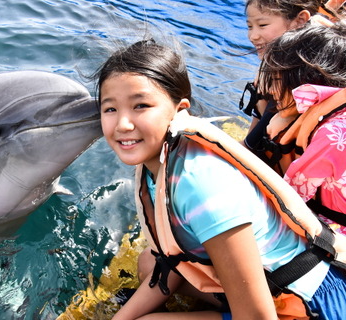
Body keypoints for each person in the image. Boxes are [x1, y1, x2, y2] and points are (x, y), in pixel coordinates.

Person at [93, 39, 346, 319]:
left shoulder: (200, 183)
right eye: (110, 109)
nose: (123, 124)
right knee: (147, 266)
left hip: (316, 306)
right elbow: (172, 262)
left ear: (179, 110)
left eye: (140, 105)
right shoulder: (163, 160)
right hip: (274, 289)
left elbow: (257, 317)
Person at [256, 22, 346, 235]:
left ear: (306, 81)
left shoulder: (332, 135)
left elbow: (289, 202)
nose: (269, 89)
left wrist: (276, 134)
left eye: (277, 78)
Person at [240, 0, 323, 175]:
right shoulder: (272, 65)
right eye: (249, 26)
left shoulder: (304, 76)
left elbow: (248, 149)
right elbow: (251, 139)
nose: (252, 36)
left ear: (300, 20)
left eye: (262, 25)